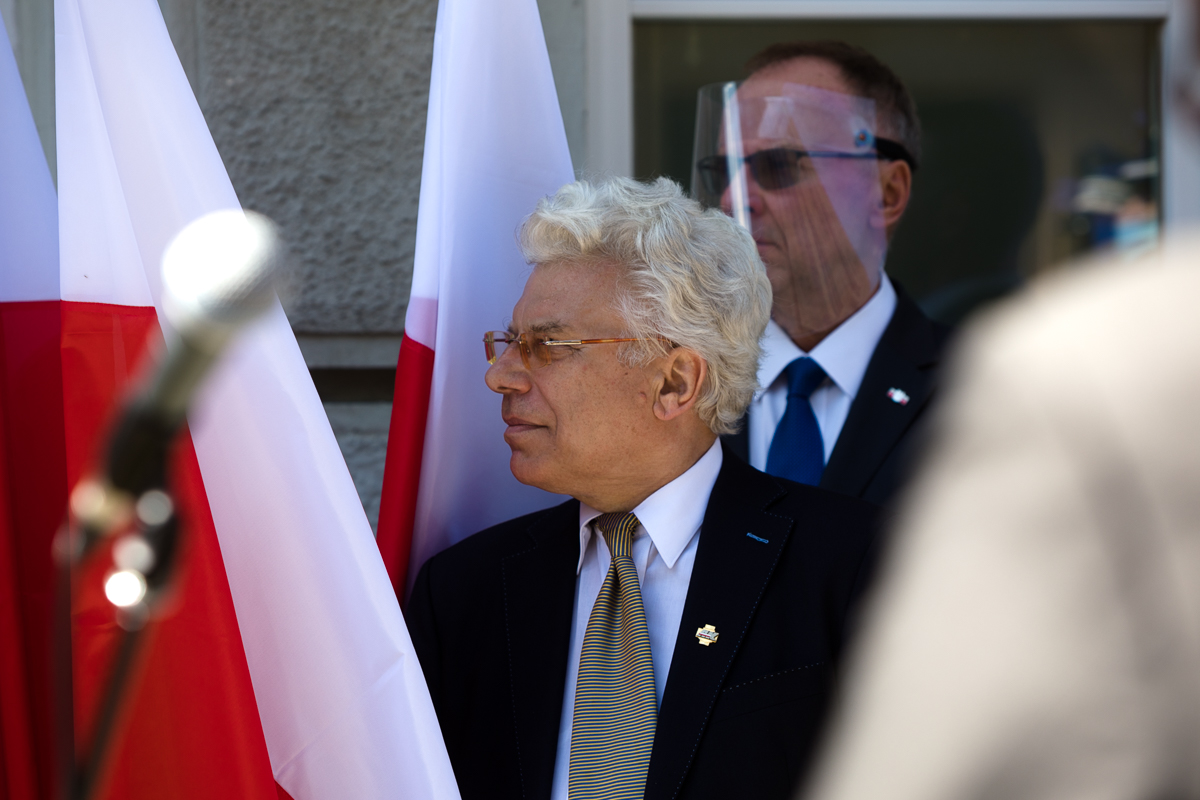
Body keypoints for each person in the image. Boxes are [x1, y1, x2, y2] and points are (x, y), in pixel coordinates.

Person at [406, 177, 879, 800]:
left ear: (675, 383)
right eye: (510, 343)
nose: (500, 376)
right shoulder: (463, 592)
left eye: (548, 346)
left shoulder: (857, 564)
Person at [697, 41, 952, 506]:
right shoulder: (682, 381)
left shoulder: (977, 388)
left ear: (887, 192)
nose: (733, 199)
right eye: (723, 171)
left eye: (777, 166)